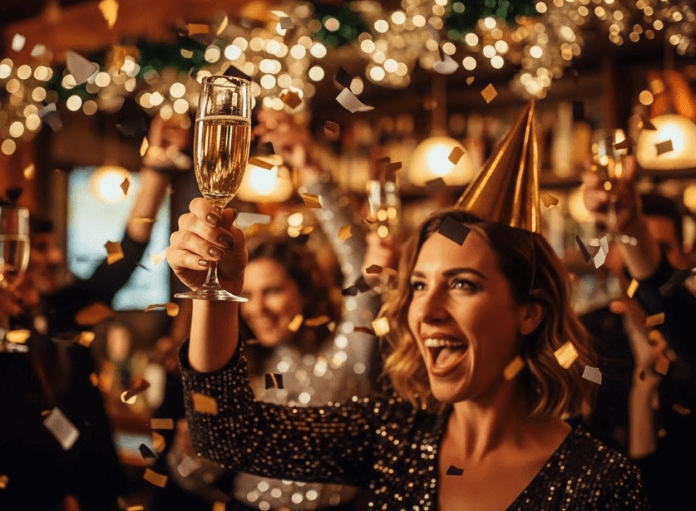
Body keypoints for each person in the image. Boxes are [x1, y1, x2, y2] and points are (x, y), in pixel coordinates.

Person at [167, 102, 648, 510]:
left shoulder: (600, 484)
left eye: (462, 284)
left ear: (529, 312)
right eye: (417, 285)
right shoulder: (392, 436)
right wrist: (218, 289)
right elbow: (225, 433)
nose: (427, 311)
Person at [0, 115, 180, 511]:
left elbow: (126, 255)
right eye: (33, 247)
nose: (49, 258)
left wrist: (154, 171)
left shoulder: (52, 315)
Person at [163, 110, 379, 510]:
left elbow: (364, 269)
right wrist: (191, 452)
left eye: (273, 291)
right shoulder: (238, 371)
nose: (257, 307)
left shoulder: (348, 353)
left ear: (305, 292)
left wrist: (312, 170)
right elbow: (190, 479)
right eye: (247, 294)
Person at [582, 157, 696, 509]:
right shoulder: (585, 337)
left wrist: (633, 230)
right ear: (610, 255)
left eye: (661, 249)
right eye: (629, 246)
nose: (635, 265)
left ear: (684, 257)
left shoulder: (689, 334)